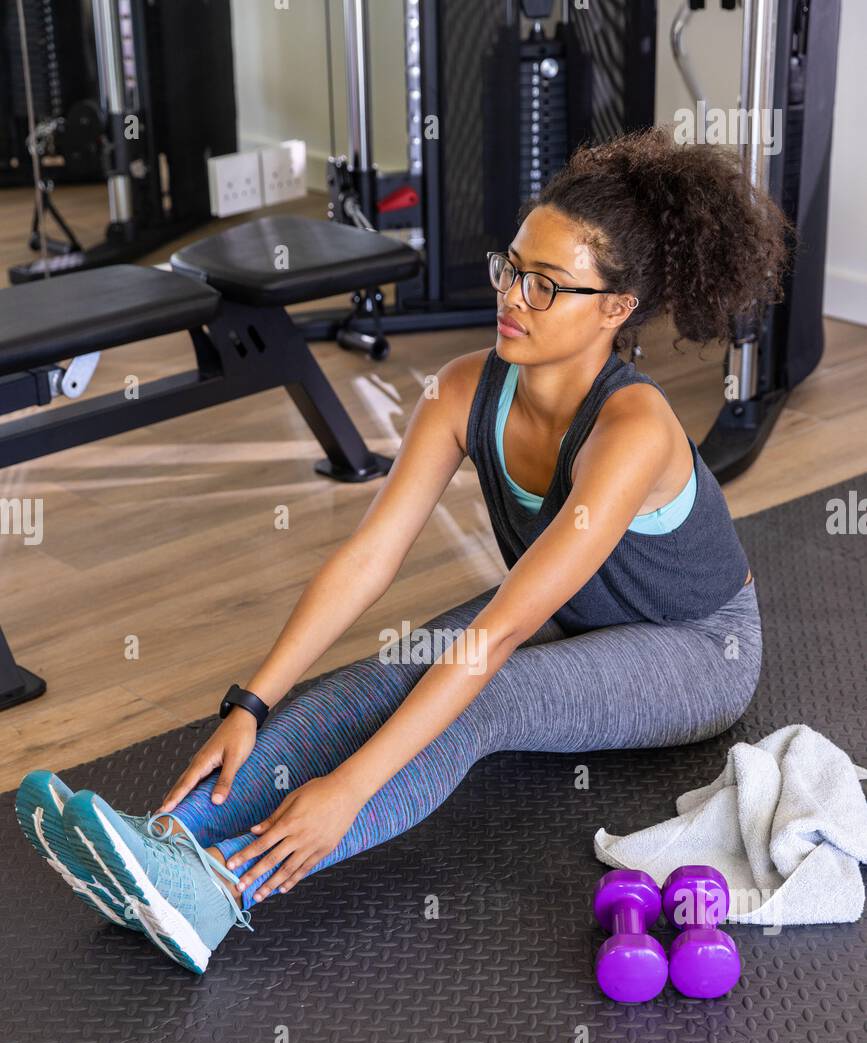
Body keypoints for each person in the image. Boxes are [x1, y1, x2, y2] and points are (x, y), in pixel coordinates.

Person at [16, 127, 786, 975]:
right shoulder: (463, 388)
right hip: (571, 611)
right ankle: (160, 845)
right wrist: (250, 701)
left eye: (545, 286)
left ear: (614, 307)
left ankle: (216, 892)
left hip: (696, 646)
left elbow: (491, 641)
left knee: (480, 704)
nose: (513, 298)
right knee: (378, 679)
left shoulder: (631, 429)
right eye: (510, 268)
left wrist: (347, 792)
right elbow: (368, 556)